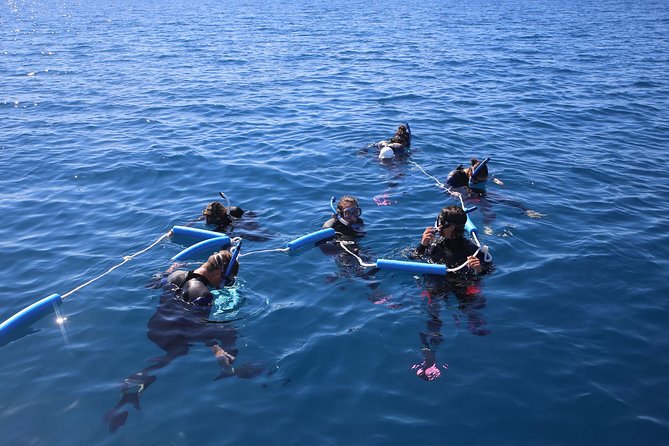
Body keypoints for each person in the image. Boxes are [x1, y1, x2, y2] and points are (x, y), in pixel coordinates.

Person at [103, 248, 262, 433]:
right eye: (226, 281)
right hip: (176, 335)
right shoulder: (203, 294)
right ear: (218, 273)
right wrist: (216, 349)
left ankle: (129, 393)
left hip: (155, 327)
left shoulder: (176, 274)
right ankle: (230, 369)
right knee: (230, 331)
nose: (224, 285)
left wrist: (167, 272)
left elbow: (151, 284)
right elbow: (198, 325)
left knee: (170, 356)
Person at [410, 205, 493, 380]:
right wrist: (421, 245)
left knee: (471, 303)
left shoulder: (471, 249)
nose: (437, 226)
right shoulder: (433, 244)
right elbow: (413, 260)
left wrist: (478, 269)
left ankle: (473, 324)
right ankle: (430, 352)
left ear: (452, 227)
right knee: (433, 312)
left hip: (461, 281)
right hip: (437, 282)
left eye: (441, 223)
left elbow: (489, 270)